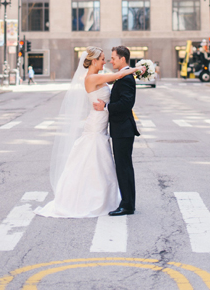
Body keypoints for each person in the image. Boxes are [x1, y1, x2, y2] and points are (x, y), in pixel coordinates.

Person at [37, 47, 136, 218]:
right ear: (94, 61)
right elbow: (118, 76)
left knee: (103, 163)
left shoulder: (100, 78)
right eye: (103, 59)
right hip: (96, 125)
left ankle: (110, 199)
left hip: (102, 124)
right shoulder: (92, 78)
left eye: (109, 58)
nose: (106, 62)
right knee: (93, 160)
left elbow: (118, 84)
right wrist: (137, 69)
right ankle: (91, 198)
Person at [92, 45, 140, 216]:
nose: (111, 61)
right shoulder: (122, 76)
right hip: (121, 129)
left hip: (124, 130)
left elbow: (127, 104)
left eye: (113, 58)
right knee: (123, 167)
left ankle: (127, 205)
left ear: (122, 59)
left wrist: (106, 106)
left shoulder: (126, 78)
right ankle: (128, 202)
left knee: (123, 167)